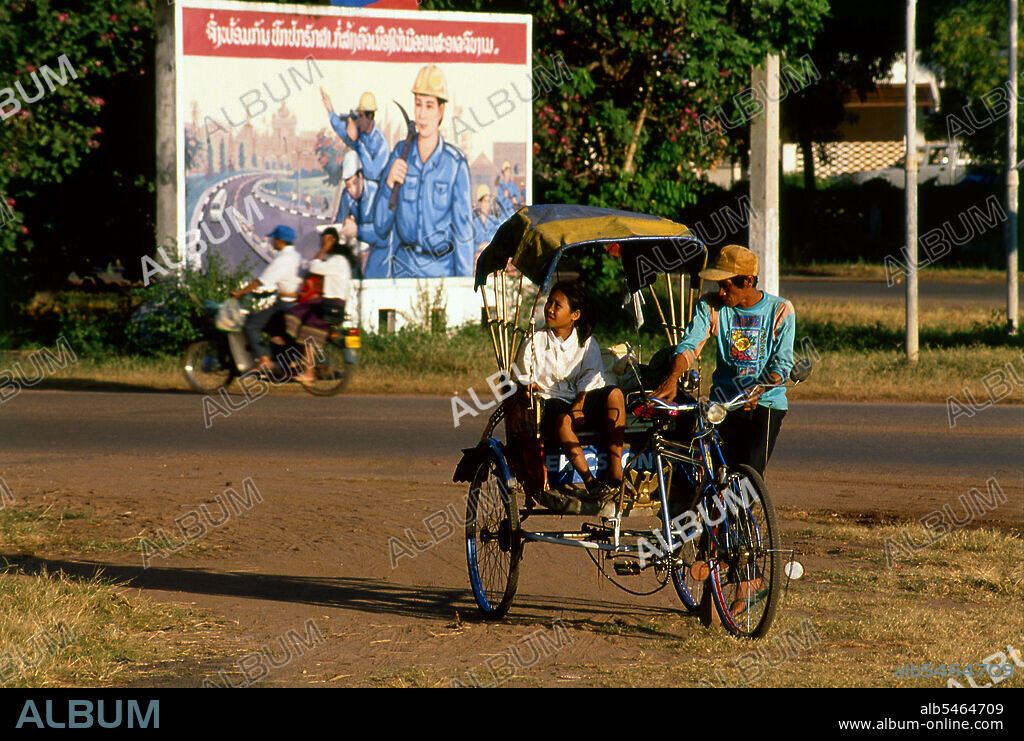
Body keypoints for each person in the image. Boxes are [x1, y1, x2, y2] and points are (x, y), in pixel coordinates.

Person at [652, 245, 795, 478]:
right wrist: (672, 379)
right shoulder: (711, 306)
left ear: (748, 281)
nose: (720, 292)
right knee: (718, 474)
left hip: (765, 403)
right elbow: (689, 346)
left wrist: (759, 389)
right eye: (718, 286)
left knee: (750, 477)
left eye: (726, 285)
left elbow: (782, 364)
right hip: (723, 404)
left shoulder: (780, 309)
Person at [514, 280, 626, 498]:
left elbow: (591, 376)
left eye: (557, 305)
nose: (550, 309)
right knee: (563, 421)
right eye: (549, 303)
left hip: (580, 400)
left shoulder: (586, 342)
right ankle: (590, 481)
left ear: (575, 315)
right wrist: (528, 385)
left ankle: (615, 470)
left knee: (615, 394)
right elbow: (522, 377)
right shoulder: (534, 341)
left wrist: (578, 405)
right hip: (549, 402)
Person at [373, 64, 473, 278]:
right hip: (404, 269)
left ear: (441, 111)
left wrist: (465, 287)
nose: (422, 114)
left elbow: (464, 233)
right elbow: (381, 227)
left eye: (429, 106)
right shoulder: (400, 153)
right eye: (418, 105)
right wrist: (389, 185)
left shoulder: (455, 164)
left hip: (442, 271)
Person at [231, 225, 302, 373]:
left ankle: (264, 360)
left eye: (274, 239)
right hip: (293, 302)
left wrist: (241, 292)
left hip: (284, 304)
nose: (272, 242)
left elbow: (263, 280)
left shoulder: (283, 258)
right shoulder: (295, 256)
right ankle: (283, 361)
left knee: (251, 325)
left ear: (280, 241)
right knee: (273, 330)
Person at [289, 227, 354, 385]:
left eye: (325, 240)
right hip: (331, 303)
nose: (322, 243)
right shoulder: (338, 261)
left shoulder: (337, 260)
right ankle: (296, 357)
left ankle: (308, 372)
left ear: (332, 240)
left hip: (331, 304)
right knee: (298, 313)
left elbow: (314, 268)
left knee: (308, 333)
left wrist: (323, 250)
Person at [320, 89, 389, 184]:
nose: (358, 120)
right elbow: (341, 128)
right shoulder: (360, 132)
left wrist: (358, 144)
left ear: (370, 117)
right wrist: (330, 110)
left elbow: (372, 174)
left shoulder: (381, 144)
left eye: (361, 116)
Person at [334, 150, 385, 277]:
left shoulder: (377, 192)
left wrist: (357, 230)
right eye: (348, 185)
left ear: (361, 176)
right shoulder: (347, 195)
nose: (352, 190)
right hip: (358, 250)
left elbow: (383, 231)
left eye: (355, 183)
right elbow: (340, 222)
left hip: (378, 250)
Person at [472, 184, 500, 265]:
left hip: (492, 260)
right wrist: (478, 247)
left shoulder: (495, 222)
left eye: (488, 201)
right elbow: (469, 246)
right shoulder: (473, 224)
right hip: (476, 262)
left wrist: (489, 246)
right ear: (480, 203)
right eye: (485, 201)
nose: (487, 205)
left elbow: (499, 243)